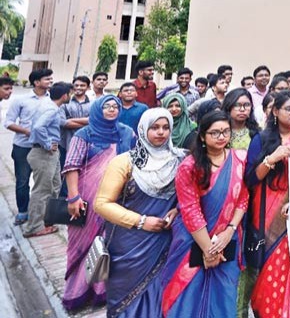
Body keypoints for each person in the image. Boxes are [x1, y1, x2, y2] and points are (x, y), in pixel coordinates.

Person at [94, 108, 183, 318]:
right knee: (125, 299)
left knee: (162, 294)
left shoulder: (180, 159)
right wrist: (141, 221)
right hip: (129, 244)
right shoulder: (125, 161)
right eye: (154, 127)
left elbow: (193, 197)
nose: (161, 132)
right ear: (143, 129)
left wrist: (177, 210)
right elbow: (102, 203)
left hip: (166, 241)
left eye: (165, 127)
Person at [160, 109, 248, 317]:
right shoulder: (189, 167)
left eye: (226, 132)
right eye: (215, 133)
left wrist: (229, 230)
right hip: (193, 239)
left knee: (224, 294)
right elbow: (190, 210)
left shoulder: (239, 159)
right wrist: (209, 249)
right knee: (187, 294)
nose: (221, 137)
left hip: (228, 238)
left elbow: (243, 197)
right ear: (202, 136)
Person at [62, 95, 136, 311]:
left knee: (109, 244)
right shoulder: (84, 134)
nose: (112, 110)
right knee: (82, 246)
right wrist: (73, 197)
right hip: (86, 201)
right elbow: (72, 166)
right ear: (97, 109)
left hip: (118, 201)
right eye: (107, 106)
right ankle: (77, 294)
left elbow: (136, 160)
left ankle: (101, 293)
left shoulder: (126, 132)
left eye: (116, 106)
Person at [245, 91, 290, 317]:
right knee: (270, 269)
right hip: (266, 212)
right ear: (275, 111)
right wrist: (272, 158)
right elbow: (251, 178)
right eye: (289, 109)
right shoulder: (262, 139)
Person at [23, 82, 72, 238]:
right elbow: (38, 127)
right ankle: (33, 227)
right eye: (69, 93)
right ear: (65, 95)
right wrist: (47, 143)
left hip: (49, 153)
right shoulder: (51, 109)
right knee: (42, 191)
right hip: (43, 153)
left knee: (55, 186)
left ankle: (46, 219)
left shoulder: (48, 105)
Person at [5, 68, 53, 225]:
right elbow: (9, 122)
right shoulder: (21, 100)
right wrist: (28, 132)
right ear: (36, 82)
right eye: (47, 79)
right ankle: (22, 212)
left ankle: (40, 212)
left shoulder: (52, 99)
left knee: (44, 182)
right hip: (23, 147)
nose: (50, 81)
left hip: (43, 148)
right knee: (22, 180)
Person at [60, 75, 92, 198]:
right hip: (66, 143)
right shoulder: (65, 104)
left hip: (88, 145)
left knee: (85, 174)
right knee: (66, 173)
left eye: (82, 85)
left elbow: (94, 121)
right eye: (76, 85)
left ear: (88, 87)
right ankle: (65, 202)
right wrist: (86, 121)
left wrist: (71, 120)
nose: (79, 88)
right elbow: (63, 123)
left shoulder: (93, 104)